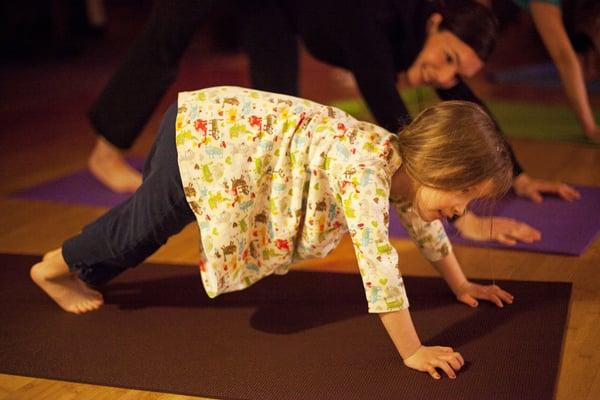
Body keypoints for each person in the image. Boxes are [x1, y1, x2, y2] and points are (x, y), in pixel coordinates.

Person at [31, 86, 515, 379]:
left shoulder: (400, 167)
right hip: (205, 138)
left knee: (145, 228)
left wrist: (461, 284)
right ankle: (52, 268)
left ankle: (80, 269)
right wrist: (412, 350)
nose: (462, 210)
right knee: (140, 229)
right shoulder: (368, 168)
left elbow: (424, 226)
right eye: (466, 195)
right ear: (442, 168)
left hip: (212, 137)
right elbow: (378, 263)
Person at [87, 0, 578, 245]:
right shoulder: (375, 18)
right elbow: (389, 110)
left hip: (278, 8)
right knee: (172, 29)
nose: (444, 77)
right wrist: (461, 212)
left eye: (457, 70)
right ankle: (106, 148)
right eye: (447, 57)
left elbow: (464, 99)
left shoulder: (426, 42)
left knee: (271, 100)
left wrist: (520, 174)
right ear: (434, 21)